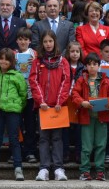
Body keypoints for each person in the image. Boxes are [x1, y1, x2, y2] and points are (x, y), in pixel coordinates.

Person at [29, 30, 71, 181]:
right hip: (43, 107)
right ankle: (44, 168)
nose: (48, 44)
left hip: (58, 107)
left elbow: (66, 82)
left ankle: (59, 168)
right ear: (42, 44)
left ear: (55, 42)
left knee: (57, 138)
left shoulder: (62, 61)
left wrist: (60, 101)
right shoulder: (37, 62)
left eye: (50, 41)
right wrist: (41, 102)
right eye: (45, 42)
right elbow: (33, 82)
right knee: (44, 138)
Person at [71, 52, 109, 181]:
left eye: (95, 64)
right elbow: (74, 93)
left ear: (99, 66)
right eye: (89, 64)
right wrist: (82, 102)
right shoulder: (82, 79)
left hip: (102, 117)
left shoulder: (105, 80)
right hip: (87, 117)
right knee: (86, 146)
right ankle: (85, 171)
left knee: (101, 145)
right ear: (86, 66)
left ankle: (100, 171)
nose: (92, 67)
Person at [0, 48, 27, 181]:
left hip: (13, 112)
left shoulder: (17, 76)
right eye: (1, 58)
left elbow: (23, 94)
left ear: (12, 61)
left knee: (14, 139)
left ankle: (18, 169)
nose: (4, 61)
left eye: (7, 59)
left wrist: (18, 106)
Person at [15, 28, 39, 163]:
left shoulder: (35, 54)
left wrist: (35, 63)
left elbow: (41, 70)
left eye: (25, 39)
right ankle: (16, 152)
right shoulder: (13, 54)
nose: (23, 42)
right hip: (16, 95)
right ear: (17, 40)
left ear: (30, 41)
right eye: (20, 39)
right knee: (17, 125)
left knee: (30, 125)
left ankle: (30, 151)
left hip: (31, 94)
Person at [62, 42, 84, 163]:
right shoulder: (63, 66)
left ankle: (78, 154)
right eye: (72, 51)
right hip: (66, 101)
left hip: (78, 102)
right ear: (68, 53)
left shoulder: (84, 67)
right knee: (65, 130)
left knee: (78, 131)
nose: (75, 54)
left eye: (77, 51)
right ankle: (65, 154)